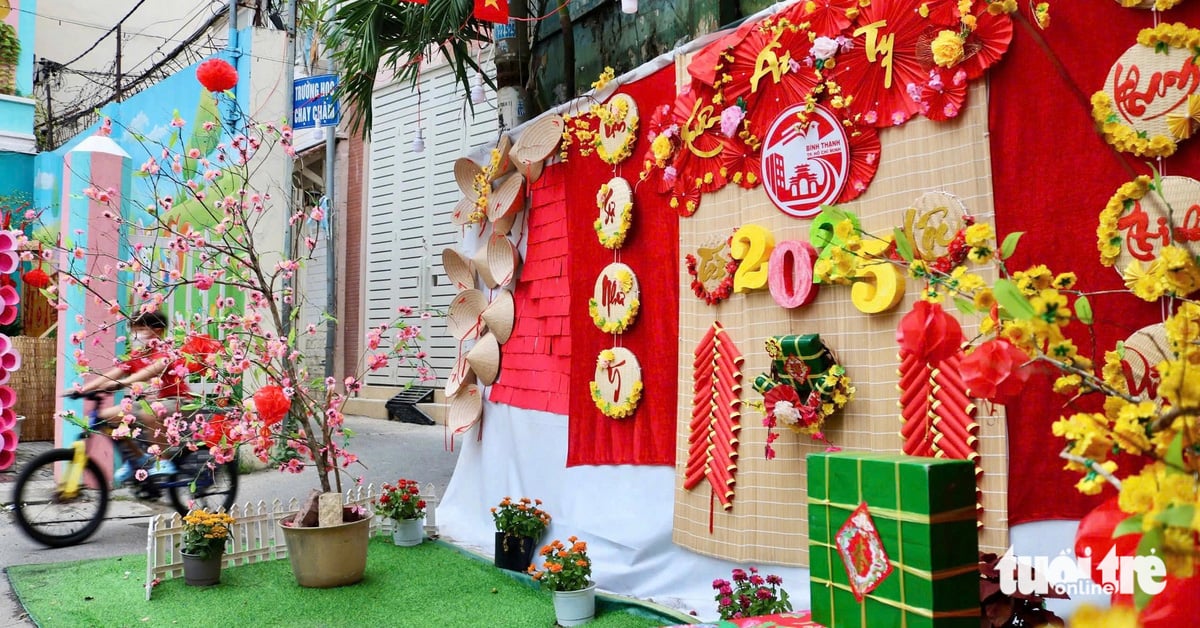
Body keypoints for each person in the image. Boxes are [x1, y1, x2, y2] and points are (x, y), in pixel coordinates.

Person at [75, 310, 191, 485]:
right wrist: (83, 389)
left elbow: (151, 370)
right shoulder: (138, 355)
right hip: (149, 404)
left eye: (140, 329)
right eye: (134, 330)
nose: (135, 335)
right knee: (107, 417)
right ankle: (136, 460)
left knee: (150, 411)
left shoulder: (165, 352)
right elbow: (114, 373)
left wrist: (124, 382)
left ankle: (163, 460)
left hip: (176, 401)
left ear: (158, 331)